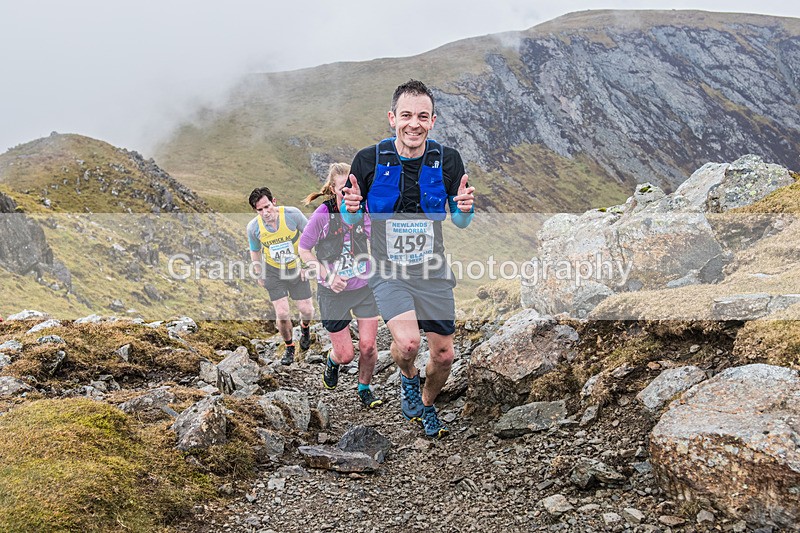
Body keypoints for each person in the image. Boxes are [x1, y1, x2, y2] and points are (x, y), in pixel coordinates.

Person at [342, 79, 475, 438]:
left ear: (433, 120)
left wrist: (464, 208)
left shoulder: (448, 160)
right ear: (392, 118)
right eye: (406, 115)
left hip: (432, 270)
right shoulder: (368, 160)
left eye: (422, 116)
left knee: (444, 356)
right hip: (388, 271)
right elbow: (352, 217)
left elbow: (461, 221)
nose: (413, 123)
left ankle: (428, 403)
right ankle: (407, 377)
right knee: (408, 344)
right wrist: (350, 207)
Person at [298, 163, 383, 409]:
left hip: (364, 287)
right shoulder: (322, 215)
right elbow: (304, 250)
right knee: (346, 355)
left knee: (368, 346)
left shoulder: (365, 211)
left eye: (352, 190)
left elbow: (379, 241)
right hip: (332, 292)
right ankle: (333, 361)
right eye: (342, 190)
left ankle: (364, 387)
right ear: (332, 190)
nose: (348, 196)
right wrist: (327, 275)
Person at [247, 187, 315, 365]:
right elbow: (255, 252)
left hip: (296, 268)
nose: (265, 212)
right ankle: (289, 346)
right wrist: (259, 272)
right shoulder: (254, 227)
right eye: (260, 210)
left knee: (307, 310)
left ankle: (305, 328)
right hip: (273, 271)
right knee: (282, 312)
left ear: (274, 202)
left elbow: (312, 238)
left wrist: (307, 265)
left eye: (267, 207)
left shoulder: (292, 215)